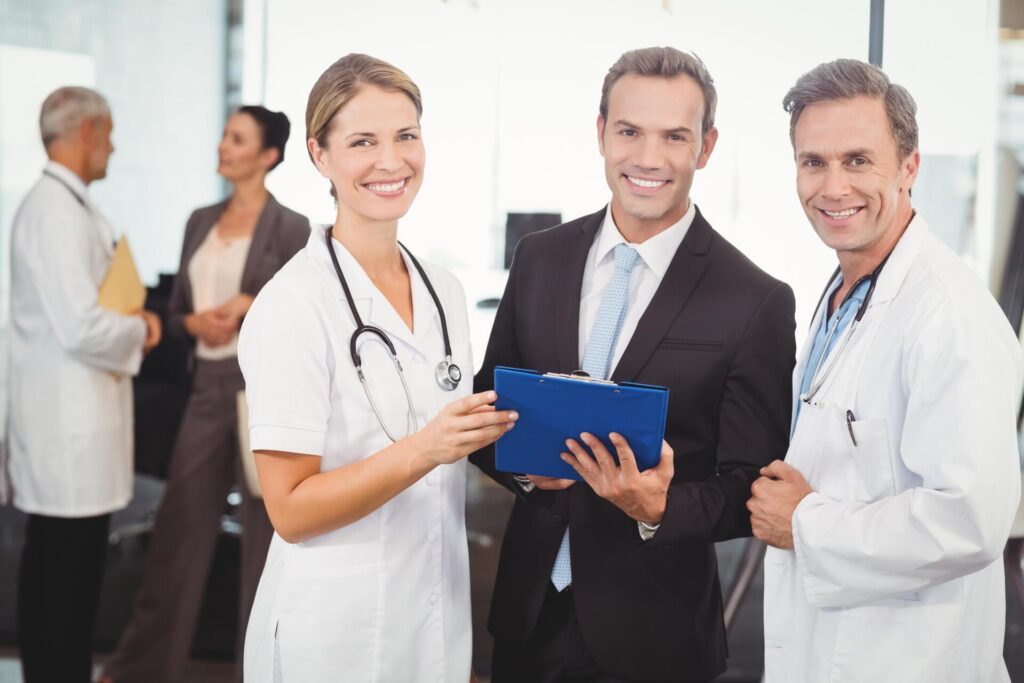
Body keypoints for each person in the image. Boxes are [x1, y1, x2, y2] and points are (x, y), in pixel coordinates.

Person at [470, 46, 796, 682]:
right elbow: (488, 409)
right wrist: (534, 475)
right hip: (527, 618)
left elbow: (748, 489)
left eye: (675, 136)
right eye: (629, 131)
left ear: (705, 146)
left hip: (656, 636)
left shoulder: (754, 299)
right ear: (600, 134)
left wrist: (657, 507)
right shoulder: (540, 258)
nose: (648, 158)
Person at [236, 53, 516, 682]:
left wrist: (531, 463)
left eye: (406, 136)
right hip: (333, 629)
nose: (392, 161)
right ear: (319, 155)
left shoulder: (442, 289)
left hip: (433, 614)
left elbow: (451, 433)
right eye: (363, 141)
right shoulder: (292, 304)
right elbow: (290, 509)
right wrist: (426, 449)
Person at [748, 58, 1023, 682]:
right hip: (834, 646)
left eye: (858, 160)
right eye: (813, 162)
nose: (833, 186)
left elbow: (972, 519)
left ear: (909, 168)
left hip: (909, 660)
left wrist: (805, 522)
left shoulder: (948, 316)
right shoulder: (848, 290)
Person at [101, 106, 309, 683]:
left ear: (267, 156)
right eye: (224, 135)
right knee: (178, 533)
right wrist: (194, 325)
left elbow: (304, 314)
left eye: (236, 139)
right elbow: (175, 311)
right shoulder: (200, 220)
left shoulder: (293, 228)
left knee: (268, 549)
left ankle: (268, 671)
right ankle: (138, 667)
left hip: (262, 399)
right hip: (206, 393)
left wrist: (250, 306)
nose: (223, 146)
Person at [5, 86, 161, 683]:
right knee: (63, 580)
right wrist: (141, 327)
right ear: (88, 132)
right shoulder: (53, 212)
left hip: (78, 420)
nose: (114, 146)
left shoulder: (69, 207)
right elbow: (79, 325)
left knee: (66, 574)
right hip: (67, 426)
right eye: (110, 132)